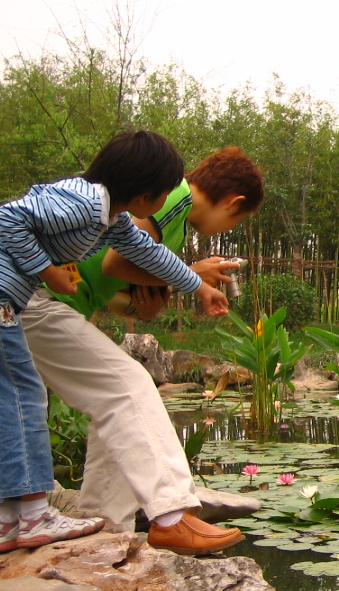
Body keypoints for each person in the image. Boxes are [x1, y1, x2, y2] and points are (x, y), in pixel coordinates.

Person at [0, 130, 228, 554]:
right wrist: (47, 270)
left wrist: (199, 286)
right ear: (144, 194)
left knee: (15, 399)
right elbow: (9, 218)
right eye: (164, 193)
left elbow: (151, 254)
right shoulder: (84, 201)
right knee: (20, 398)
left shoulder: (112, 219)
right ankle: (34, 516)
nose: (166, 201)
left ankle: (10, 520)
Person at [21, 146, 263, 555]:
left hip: (52, 302)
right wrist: (193, 275)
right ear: (233, 202)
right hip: (36, 298)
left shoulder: (174, 218)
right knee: (129, 386)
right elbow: (117, 262)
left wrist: (143, 306)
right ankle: (171, 514)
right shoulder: (174, 196)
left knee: (115, 406)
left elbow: (111, 287)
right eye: (236, 219)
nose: (226, 227)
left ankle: (104, 529)